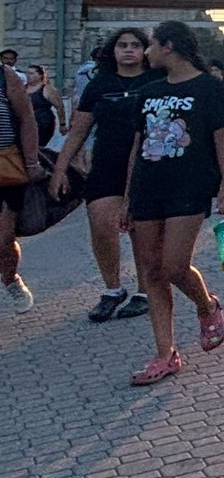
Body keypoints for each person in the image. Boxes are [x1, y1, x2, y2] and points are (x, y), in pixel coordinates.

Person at [123, 21, 224, 385]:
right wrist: (127, 198)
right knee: (152, 272)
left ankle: (207, 306)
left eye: (151, 45)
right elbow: (137, 148)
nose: (145, 52)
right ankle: (165, 355)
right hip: (147, 189)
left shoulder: (210, 88)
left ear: (169, 46)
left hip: (189, 188)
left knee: (173, 265)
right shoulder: (149, 90)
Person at [51, 28, 160, 323]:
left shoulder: (155, 82)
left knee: (140, 230)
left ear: (145, 50)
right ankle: (112, 290)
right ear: (113, 50)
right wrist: (59, 168)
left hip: (146, 165)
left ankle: (144, 292)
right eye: (122, 45)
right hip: (106, 164)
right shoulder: (99, 84)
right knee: (101, 226)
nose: (128, 50)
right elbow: (79, 130)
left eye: (135, 45)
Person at [0, 59, 46, 314]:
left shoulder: (4, 75)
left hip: (5, 166)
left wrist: (31, 161)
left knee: (4, 237)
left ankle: (11, 280)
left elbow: (27, 118)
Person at [24, 65, 67, 146]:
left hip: (43, 124)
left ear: (40, 75)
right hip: (26, 124)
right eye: (27, 73)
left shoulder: (47, 89)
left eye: (31, 73)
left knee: (37, 146)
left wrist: (62, 124)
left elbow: (59, 106)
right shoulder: (23, 88)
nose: (28, 75)